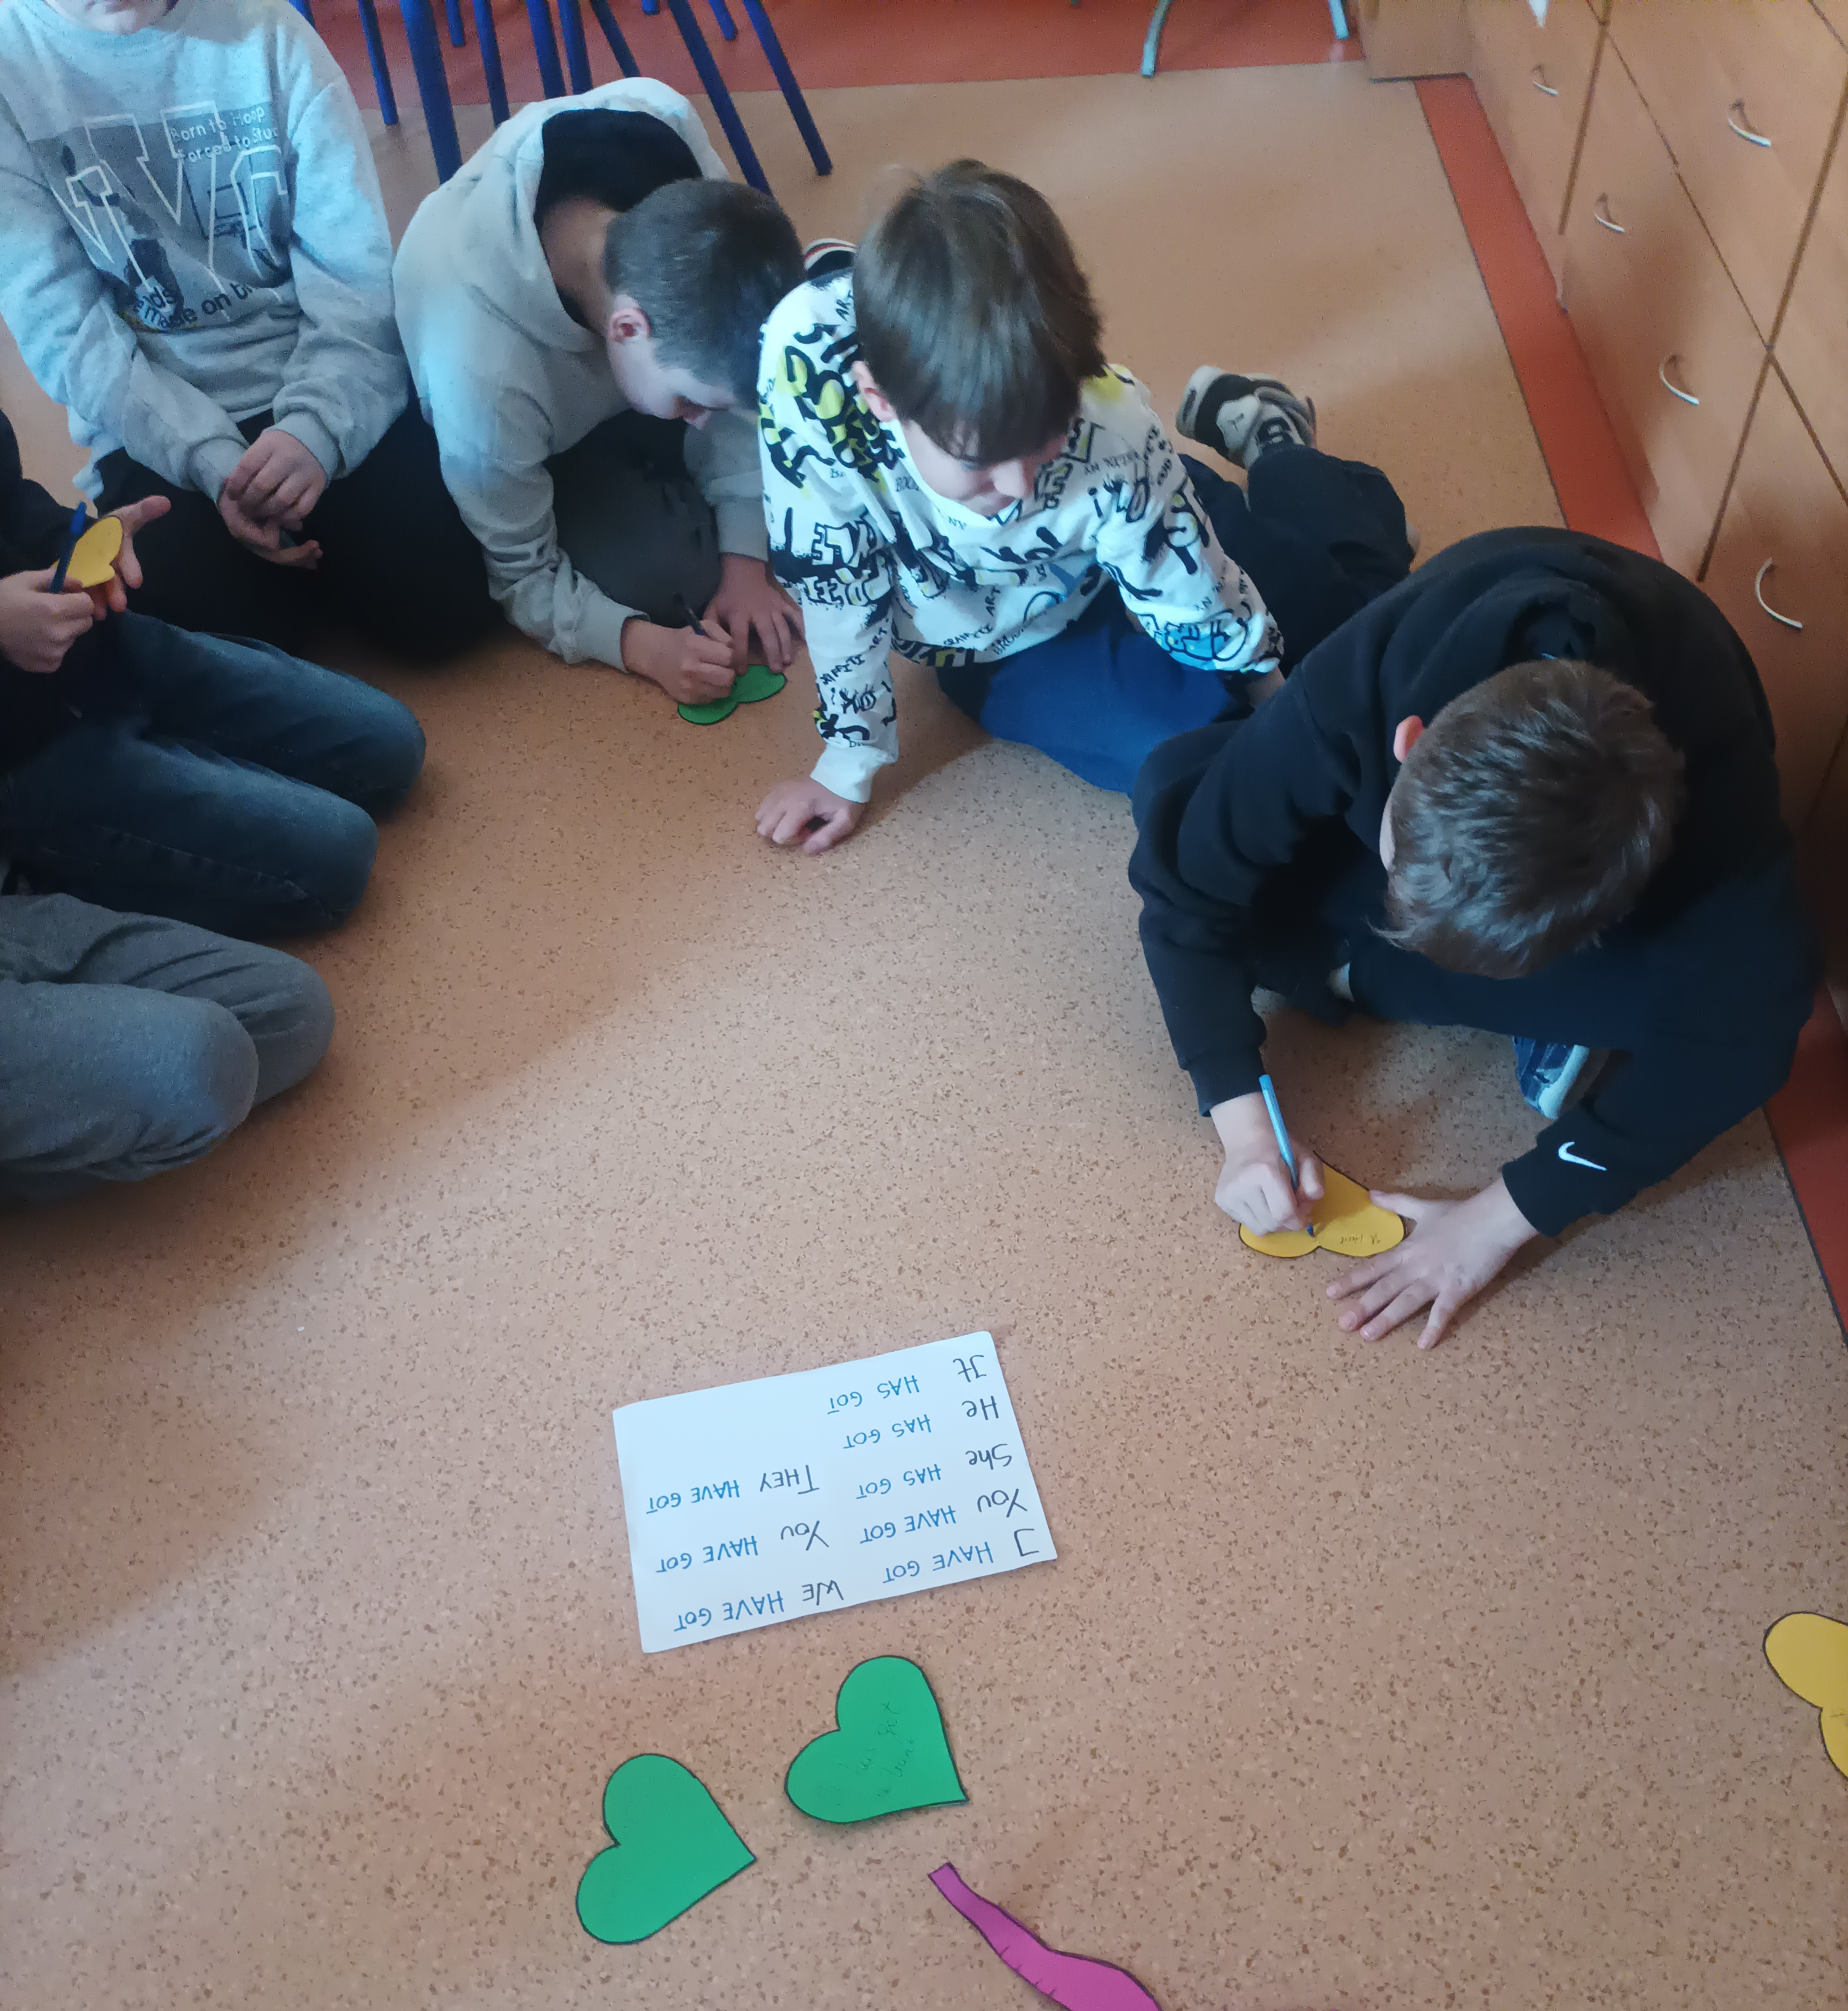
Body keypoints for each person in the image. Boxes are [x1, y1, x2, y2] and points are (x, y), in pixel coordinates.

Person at [1128, 526, 1820, 1348]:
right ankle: (1506, 999)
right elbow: (1187, 891)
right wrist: (1244, 1127)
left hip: (1623, 918)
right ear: (1410, 741)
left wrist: (1499, 1218)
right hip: (1443, 805)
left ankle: (1520, 1000)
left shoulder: (1726, 878)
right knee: (1173, 791)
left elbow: (1746, 1047)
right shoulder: (1364, 683)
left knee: (1691, 1007)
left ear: (1608, 917)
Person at [752, 160, 1414, 853]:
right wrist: (849, 761)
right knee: (1190, 751)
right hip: (999, 634)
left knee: (1338, 633)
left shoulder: (1111, 423)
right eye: (979, 464)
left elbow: (1194, 589)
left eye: (1045, 441)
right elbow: (835, 584)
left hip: (1139, 506)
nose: (1019, 490)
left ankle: (1281, 452)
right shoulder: (805, 382)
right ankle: (1287, 459)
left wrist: (1274, 694)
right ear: (881, 401)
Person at [0, 0, 496, 657]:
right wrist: (214, 463)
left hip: (316, 373)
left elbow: (355, 278)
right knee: (213, 635)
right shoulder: (10, 64)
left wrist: (315, 430)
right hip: (158, 427)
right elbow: (70, 338)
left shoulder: (274, 35)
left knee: (447, 606)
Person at [0, 421, 374, 1199]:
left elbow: (11, 503)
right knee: (204, 1063)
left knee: (290, 1014)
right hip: (30, 755)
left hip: (67, 682)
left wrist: (76, 542)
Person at [395, 83, 805, 709]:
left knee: (815, 425)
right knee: (669, 576)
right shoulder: (481, 372)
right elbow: (521, 573)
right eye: (691, 404)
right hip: (535, 423)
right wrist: (642, 647)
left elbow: (737, 391)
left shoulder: (664, 125)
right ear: (627, 329)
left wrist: (745, 562)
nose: (700, 421)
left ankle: (681, 437)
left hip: (628, 379)